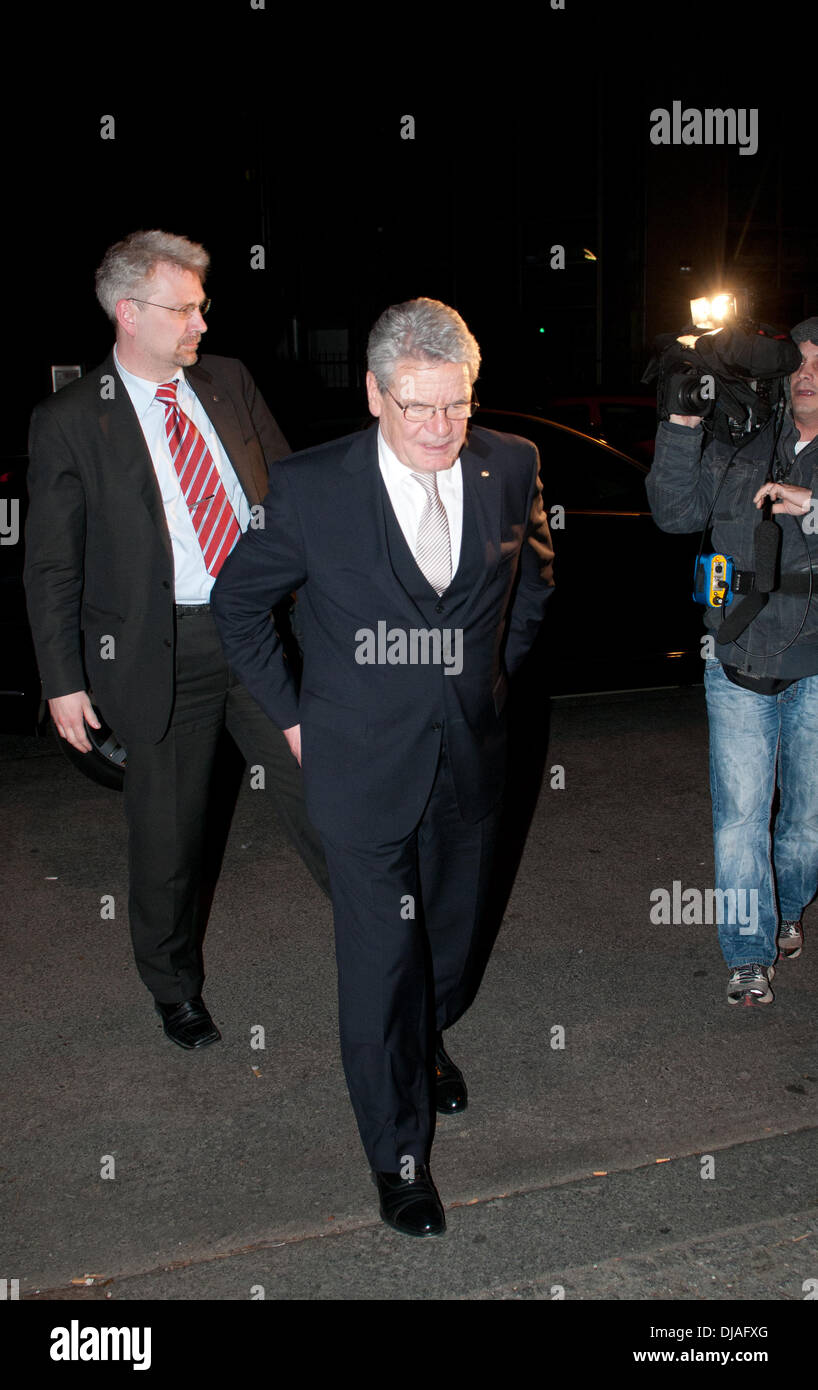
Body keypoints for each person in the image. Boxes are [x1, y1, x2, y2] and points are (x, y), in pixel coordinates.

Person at [211, 297, 554, 1235]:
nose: (443, 429)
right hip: (358, 769)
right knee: (378, 966)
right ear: (374, 393)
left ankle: (426, 1036)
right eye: (420, 409)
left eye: (458, 405)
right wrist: (290, 720)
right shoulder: (313, 489)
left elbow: (532, 586)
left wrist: (487, 681)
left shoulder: (510, 463)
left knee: (447, 948)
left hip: (471, 758)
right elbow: (239, 605)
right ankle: (399, 1160)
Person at [24, 229, 329, 1050]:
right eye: (185, 308)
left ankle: (387, 947)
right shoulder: (69, 421)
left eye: (202, 304)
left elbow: (293, 491)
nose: (202, 321)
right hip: (163, 656)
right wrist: (63, 681)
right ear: (130, 314)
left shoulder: (227, 382)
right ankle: (172, 987)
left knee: (330, 798)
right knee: (169, 838)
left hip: (261, 637)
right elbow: (51, 566)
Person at [646, 316, 818, 1007]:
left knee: (807, 821)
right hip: (738, 653)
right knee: (741, 815)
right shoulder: (745, 435)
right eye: (800, 361)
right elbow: (674, 511)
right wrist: (684, 423)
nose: (808, 373)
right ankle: (749, 952)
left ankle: (786, 910)